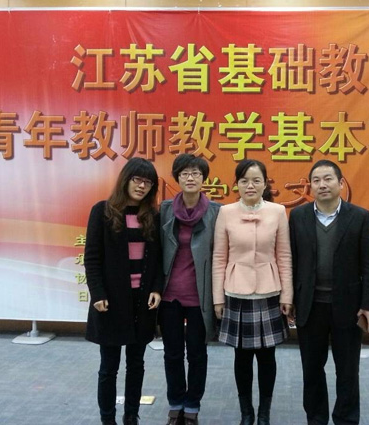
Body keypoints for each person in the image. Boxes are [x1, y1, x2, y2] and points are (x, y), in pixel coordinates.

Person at [289, 160, 369, 425]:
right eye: (316, 180)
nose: (322, 185)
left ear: (340, 183)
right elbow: (292, 260)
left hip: (348, 307)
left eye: (328, 179)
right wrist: (290, 299)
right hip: (310, 305)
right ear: (310, 186)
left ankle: (346, 419)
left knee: (348, 371)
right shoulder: (298, 216)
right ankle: (316, 419)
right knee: (312, 370)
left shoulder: (359, 217)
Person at [212, 159, 293, 425]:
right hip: (236, 293)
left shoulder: (278, 211)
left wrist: (287, 295)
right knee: (242, 357)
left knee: (268, 357)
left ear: (265, 183)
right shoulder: (226, 212)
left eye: (256, 180)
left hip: (269, 292)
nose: (250, 185)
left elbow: (284, 256)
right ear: (236, 184)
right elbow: (219, 258)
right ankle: (246, 412)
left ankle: (264, 413)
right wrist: (218, 298)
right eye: (244, 180)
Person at [84, 157, 163, 425]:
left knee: (136, 364)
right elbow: (92, 257)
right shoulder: (102, 211)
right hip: (111, 301)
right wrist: (97, 293)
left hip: (141, 302)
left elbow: (159, 259)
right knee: (109, 367)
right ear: (125, 180)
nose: (142, 186)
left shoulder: (152, 216)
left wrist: (156, 288)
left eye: (148, 182)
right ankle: (108, 419)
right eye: (137, 180)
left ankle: (131, 415)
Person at [158, 154, 221, 425]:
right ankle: (175, 404)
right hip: (169, 295)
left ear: (204, 178)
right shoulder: (165, 209)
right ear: (178, 178)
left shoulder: (216, 212)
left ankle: (192, 406)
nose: (190, 178)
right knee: (172, 353)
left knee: (197, 353)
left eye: (196, 173)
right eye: (184, 173)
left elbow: (221, 254)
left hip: (200, 296)